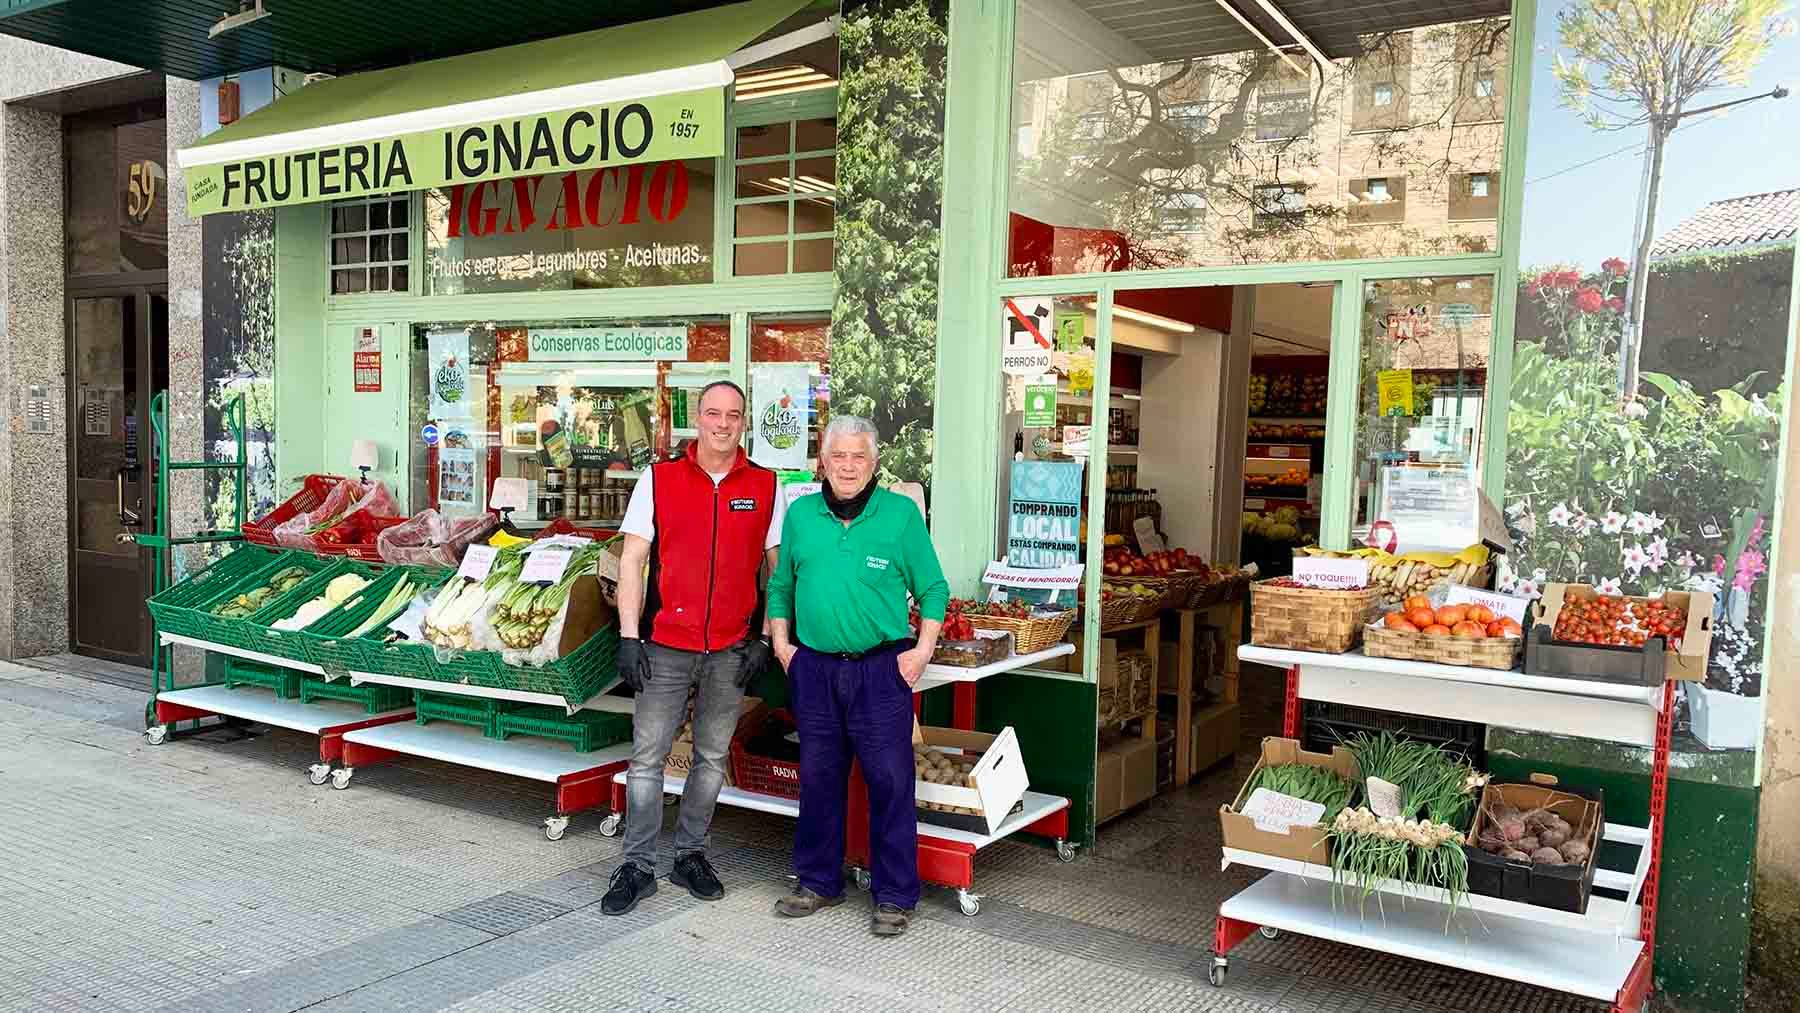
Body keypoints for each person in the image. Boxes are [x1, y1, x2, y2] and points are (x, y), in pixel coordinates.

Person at [601, 380, 782, 916]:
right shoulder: (657, 480)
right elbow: (632, 560)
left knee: (710, 757)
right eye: (712, 413)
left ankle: (690, 855)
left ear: (743, 422)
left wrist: (768, 638)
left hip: (731, 648)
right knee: (647, 759)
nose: (722, 424)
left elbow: (780, 570)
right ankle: (636, 865)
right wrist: (629, 637)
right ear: (696, 419)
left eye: (732, 415)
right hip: (665, 646)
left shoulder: (769, 486)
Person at [766, 415, 949, 937]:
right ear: (822, 461)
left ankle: (894, 895)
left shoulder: (900, 515)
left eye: (859, 457)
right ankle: (818, 881)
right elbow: (781, 585)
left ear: (874, 463)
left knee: (890, 782)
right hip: (815, 669)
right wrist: (783, 644)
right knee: (819, 778)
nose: (848, 466)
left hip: (880, 670)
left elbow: (934, 588)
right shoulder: (800, 515)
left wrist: (921, 652)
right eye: (838, 456)